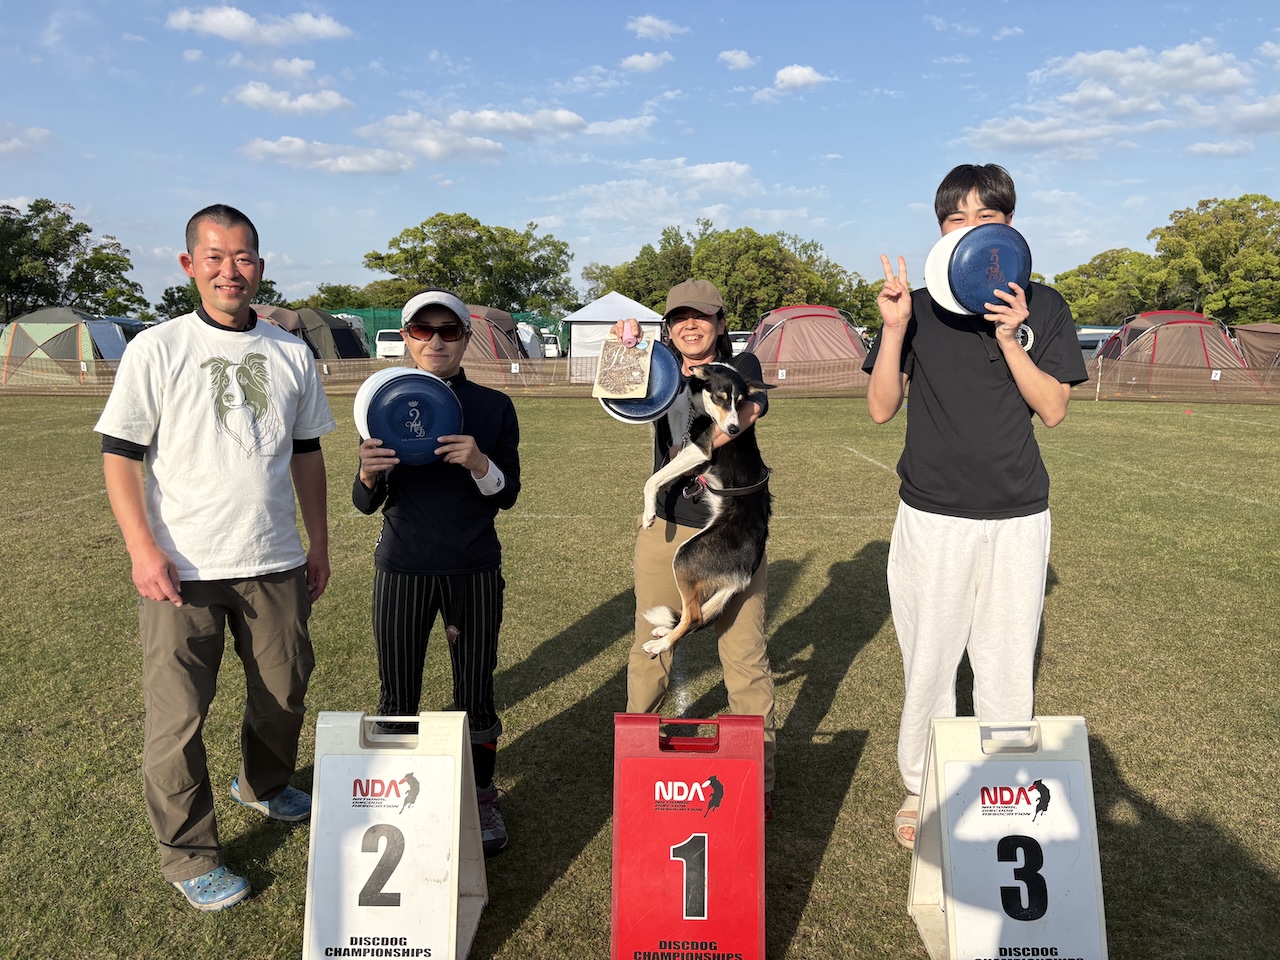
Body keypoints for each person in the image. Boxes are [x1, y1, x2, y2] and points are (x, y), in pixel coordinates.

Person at [96, 203, 335, 911]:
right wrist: (142, 549)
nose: (231, 271)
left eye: (243, 257)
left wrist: (319, 542)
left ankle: (264, 786)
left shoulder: (290, 353)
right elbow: (119, 455)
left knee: (284, 692)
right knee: (178, 722)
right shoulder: (157, 348)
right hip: (183, 570)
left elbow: (308, 454)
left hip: (274, 558)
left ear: (260, 266)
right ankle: (189, 854)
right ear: (189, 265)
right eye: (215, 257)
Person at [863, 164, 1089, 848]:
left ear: (1008, 226)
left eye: (985, 217)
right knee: (930, 658)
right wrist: (894, 329)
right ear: (941, 232)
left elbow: (1053, 409)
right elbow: (880, 409)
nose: (970, 229)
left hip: (1018, 512)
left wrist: (1010, 335)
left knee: (1006, 659)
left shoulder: (1044, 305)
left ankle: (1005, 787)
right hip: (932, 512)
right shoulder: (916, 306)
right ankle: (921, 786)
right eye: (956, 219)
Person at [352, 288, 521, 856]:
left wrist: (479, 463)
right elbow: (364, 503)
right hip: (403, 567)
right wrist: (368, 475)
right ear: (406, 337)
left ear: (467, 338)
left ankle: (481, 796)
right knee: (397, 689)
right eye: (423, 330)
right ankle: (395, 802)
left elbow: (507, 494)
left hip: (473, 566)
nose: (436, 341)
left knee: (476, 689)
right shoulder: (382, 403)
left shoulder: (493, 406)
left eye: (449, 331)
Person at [613, 279, 777, 820]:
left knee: (745, 657)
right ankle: (637, 765)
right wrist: (622, 345)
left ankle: (759, 782)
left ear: (720, 323)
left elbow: (741, 417)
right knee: (648, 651)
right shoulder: (659, 368)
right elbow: (615, 390)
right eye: (680, 317)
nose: (691, 325)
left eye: (702, 316)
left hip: (732, 531)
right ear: (668, 326)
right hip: (664, 527)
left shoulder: (740, 367)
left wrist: (698, 442)